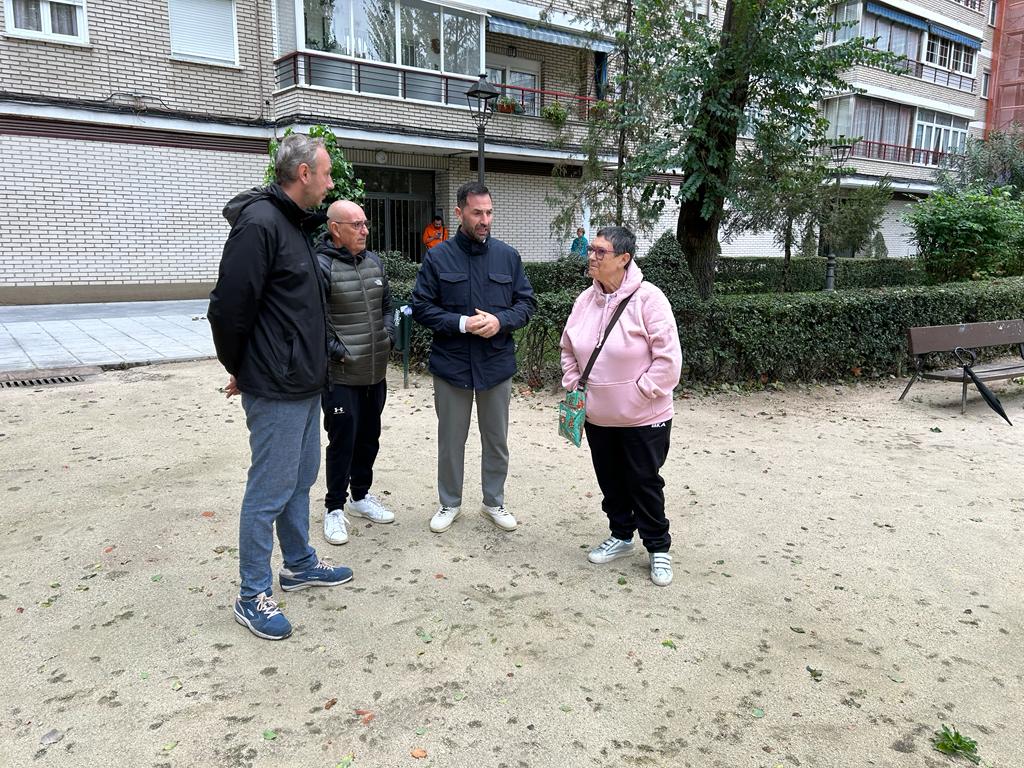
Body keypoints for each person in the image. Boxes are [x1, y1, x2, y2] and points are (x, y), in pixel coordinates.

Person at [208, 133, 353, 641]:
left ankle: (299, 563)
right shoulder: (260, 224)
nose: (331, 183)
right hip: (276, 384)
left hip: (304, 382)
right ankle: (252, 594)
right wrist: (242, 367)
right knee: (269, 489)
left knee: (300, 478)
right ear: (304, 173)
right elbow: (228, 309)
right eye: (327, 173)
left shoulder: (292, 223)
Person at [559, 226, 682, 586]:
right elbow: (568, 350)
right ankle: (621, 534)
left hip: (644, 417)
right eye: (591, 250)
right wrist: (575, 384)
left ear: (624, 259)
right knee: (610, 480)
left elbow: (668, 361)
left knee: (643, 482)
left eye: (601, 252)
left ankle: (658, 547)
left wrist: (639, 393)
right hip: (598, 416)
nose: (592, 257)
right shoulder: (585, 301)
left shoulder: (649, 299)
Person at [411, 181, 536, 534]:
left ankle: (493, 502)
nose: (485, 220)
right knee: (451, 441)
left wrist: (500, 321)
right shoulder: (438, 257)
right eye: (477, 212)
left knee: (496, 440)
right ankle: (449, 503)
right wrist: (461, 323)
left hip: (496, 364)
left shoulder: (508, 256)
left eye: (489, 212)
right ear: (459, 212)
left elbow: (526, 303)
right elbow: (421, 307)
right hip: (451, 365)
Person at [316, 200, 396, 545]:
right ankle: (334, 507)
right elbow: (314, 322)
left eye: (365, 224)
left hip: (374, 373)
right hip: (341, 376)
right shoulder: (320, 266)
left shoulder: (374, 262)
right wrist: (341, 353)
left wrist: (388, 336)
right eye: (357, 225)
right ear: (335, 229)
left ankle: (360, 496)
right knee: (342, 441)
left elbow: (387, 306)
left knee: (369, 437)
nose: (365, 231)